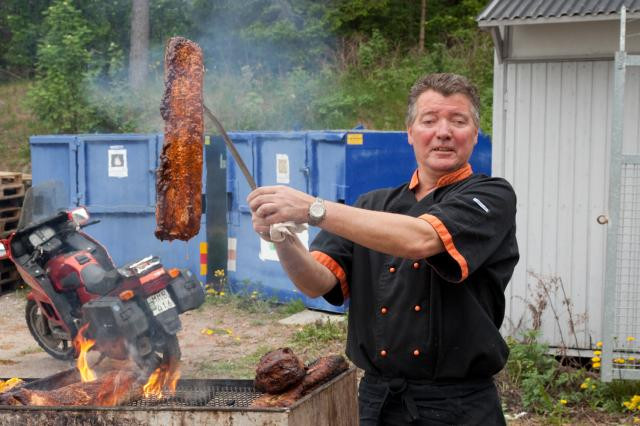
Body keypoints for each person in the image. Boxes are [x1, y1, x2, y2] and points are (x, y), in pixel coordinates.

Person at [247, 73, 519, 425]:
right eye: (429, 120)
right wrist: (283, 237)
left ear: (475, 134)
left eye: (458, 120)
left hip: (460, 406)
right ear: (410, 133)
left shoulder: (491, 196)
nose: (443, 132)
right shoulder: (372, 205)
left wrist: (314, 209)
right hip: (378, 402)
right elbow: (316, 282)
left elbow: (420, 239)